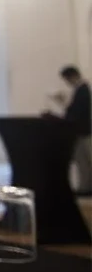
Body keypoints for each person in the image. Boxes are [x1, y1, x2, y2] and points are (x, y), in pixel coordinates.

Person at [56, 66, 91, 195]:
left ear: (72, 76)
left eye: (67, 79)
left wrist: (63, 103)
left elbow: (76, 112)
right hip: (82, 130)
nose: (67, 82)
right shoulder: (82, 90)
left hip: (81, 131)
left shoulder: (82, 90)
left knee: (82, 161)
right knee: (83, 161)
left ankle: (85, 187)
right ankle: (86, 185)